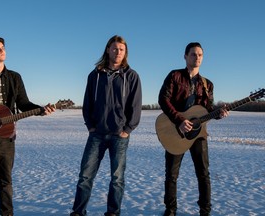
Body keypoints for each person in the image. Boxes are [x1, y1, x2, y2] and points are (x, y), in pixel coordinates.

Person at [0, 37, 55, 216]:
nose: (2, 50)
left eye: (3, 47)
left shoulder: (15, 77)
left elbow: (23, 103)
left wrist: (40, 110)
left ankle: (7, 213)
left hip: (6, 136)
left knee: (6, 181)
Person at [70, 35, 142, 216]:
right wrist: (91, 126)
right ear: (108, 50)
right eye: (114, 48)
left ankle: (113, 212)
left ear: (125, 53)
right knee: (85, 176)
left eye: (121, 49)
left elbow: (135, 105)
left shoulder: (131, 76)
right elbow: (87, 104)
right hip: (97, 134)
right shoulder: (95, 75)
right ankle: (78, 212)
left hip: (119, 135)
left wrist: (127, 129)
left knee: (117, 179)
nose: (118, 52)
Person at [158, 42, 229, 216]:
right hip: (176, 131)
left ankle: (205, 210)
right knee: (172, 175)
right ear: (185, 56)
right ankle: (171, 209)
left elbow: (208, 108)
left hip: (198, 134)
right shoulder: (175, 76)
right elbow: (163, 99)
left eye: (200, 55)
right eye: (193, 54)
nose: (197, 57)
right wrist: (179, 120)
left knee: (203, 174)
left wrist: (218, 114)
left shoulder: (207, 84)